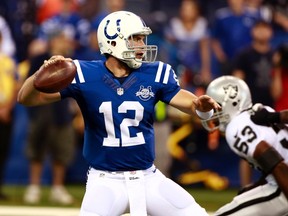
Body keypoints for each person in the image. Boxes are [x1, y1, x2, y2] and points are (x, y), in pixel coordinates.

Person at [18, 11, 220, 215]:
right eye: (135, 39)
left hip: (148, 178)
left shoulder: (156, 72)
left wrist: (198, 104)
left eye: (143, 39)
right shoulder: (83, 73)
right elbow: (28, 98)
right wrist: (39, 76)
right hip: (105, 181)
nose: (142, 45)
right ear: (113, 42)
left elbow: (183, 99)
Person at [201, 75, 288, 216]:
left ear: (231, 103)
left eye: (216, 106)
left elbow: (275, 162)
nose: (213, 112)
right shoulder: (262, 111)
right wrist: (259, 185)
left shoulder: (236, 126)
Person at [22, 27, 76, 205]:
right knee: (37, 148)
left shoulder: (72, 62)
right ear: (53, 40)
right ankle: (34, 186)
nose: (65, 42)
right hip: (41, 109)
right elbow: (27, 86)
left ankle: (57, 188)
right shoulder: (39, 58)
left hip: (62, 109)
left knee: (61, 151)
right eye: (62, 38)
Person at [0, 31, 18, 200]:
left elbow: (15, 86)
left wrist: (6, 108)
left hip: (6, 112)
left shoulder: (9, 62)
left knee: (2, 151)